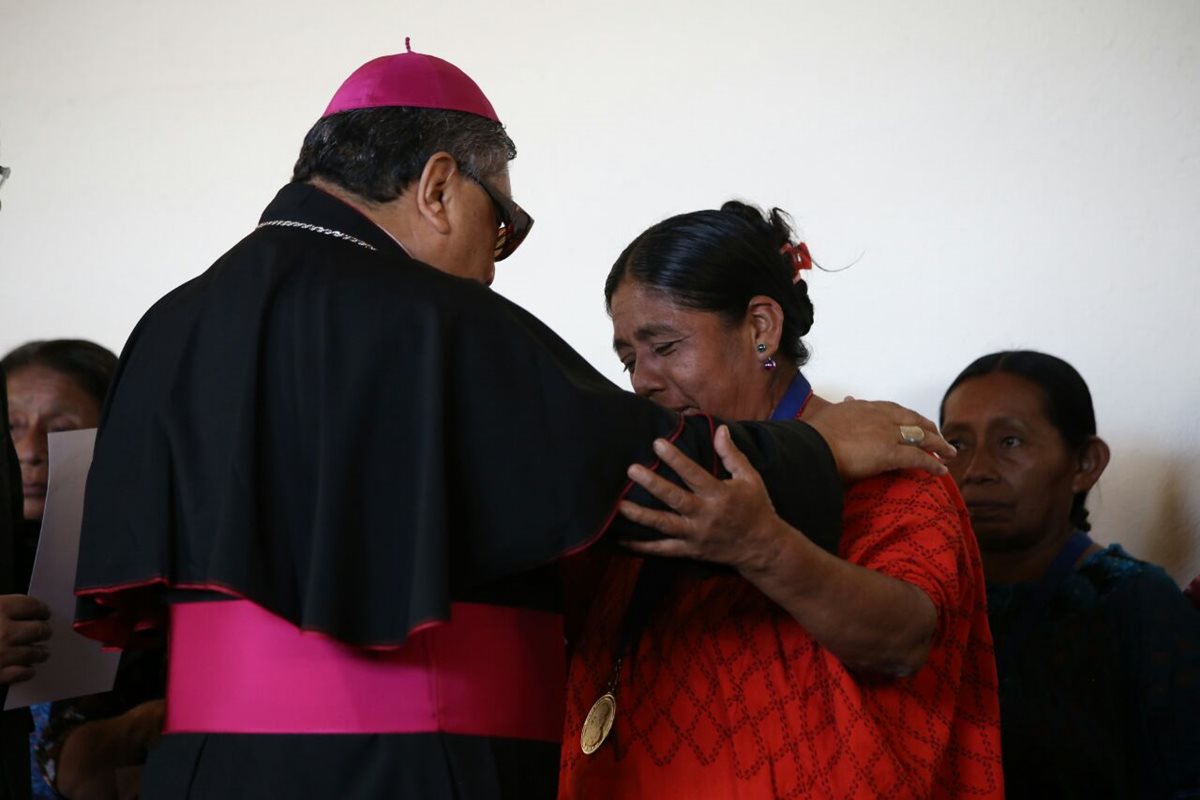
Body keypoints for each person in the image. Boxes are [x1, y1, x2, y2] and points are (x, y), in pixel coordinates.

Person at [70, 46, 951, 800]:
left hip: (204, 772)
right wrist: (817, 447)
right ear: (441, 187)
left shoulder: (170, 322)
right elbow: (630, 469)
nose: (494, 266)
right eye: (505, 225)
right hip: (420, 765)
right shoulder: (432, 319)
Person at [558, 202, 1003, 798]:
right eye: (628, 359)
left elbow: (906, 639)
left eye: (664, 346)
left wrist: (763, 548)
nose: (643, 380)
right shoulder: (655, 467)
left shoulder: (890, 462)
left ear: (761, 328)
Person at [940, 350, 1200, 799]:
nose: (976, 470)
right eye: (957, 445)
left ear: (1085, 464)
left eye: (1011, 442)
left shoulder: (1134, 602)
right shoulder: (916, 599)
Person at [2, 340, 165, 800]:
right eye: (11, 427)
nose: (29, 451)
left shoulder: (155, 571)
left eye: (61, 429)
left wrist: (139, 726)